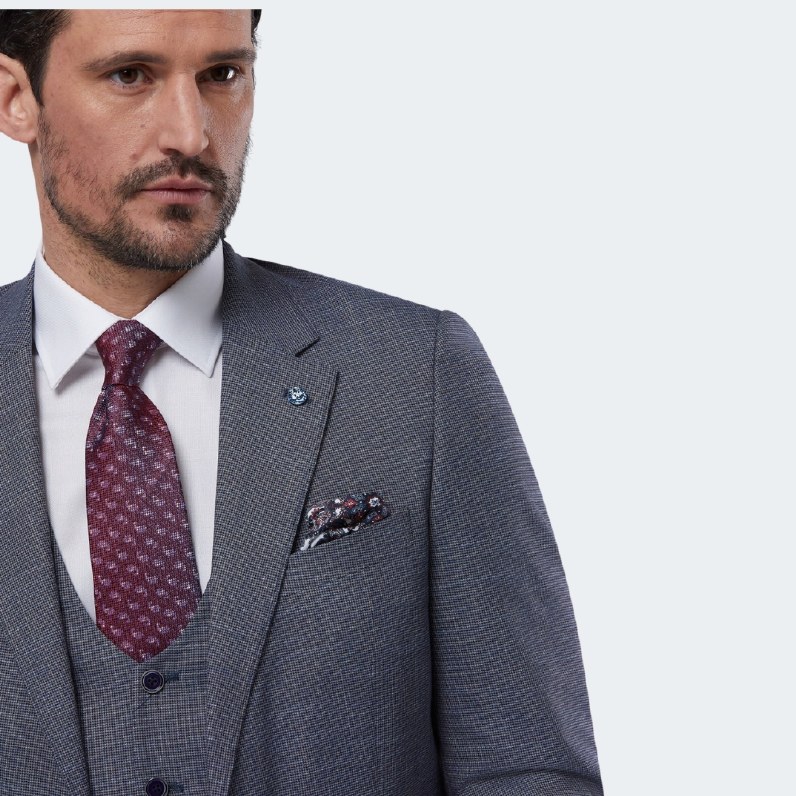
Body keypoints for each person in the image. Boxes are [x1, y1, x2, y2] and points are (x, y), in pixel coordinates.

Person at [0, 9, 602, 796]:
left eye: (222, 74)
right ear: (16, 98)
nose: (190, 132)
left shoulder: (414, 372)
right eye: (130, 76)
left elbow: (526, 766)